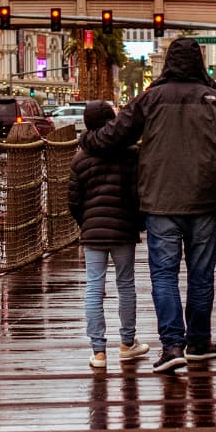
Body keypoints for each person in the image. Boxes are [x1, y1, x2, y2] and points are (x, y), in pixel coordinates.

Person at [80, 37, 216, 374]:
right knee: (201, 275)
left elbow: (115, 135)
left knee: (164, 276)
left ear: (168, 63)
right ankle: (198, 341)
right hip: (204, 202)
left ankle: (171, 345)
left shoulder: (149, 99)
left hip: (160, 202)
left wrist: (87, 139)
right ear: (199, 62)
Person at [68, 101, 150, 370]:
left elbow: (74, 201)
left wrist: (87, 223)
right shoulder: (130, 154)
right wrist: (137, 222)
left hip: (92, 232)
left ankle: (98, 351)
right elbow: (138, 193)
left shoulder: (79, 159)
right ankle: (127, 343)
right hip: (123, 229)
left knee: (94, 287)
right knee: (125, 284)